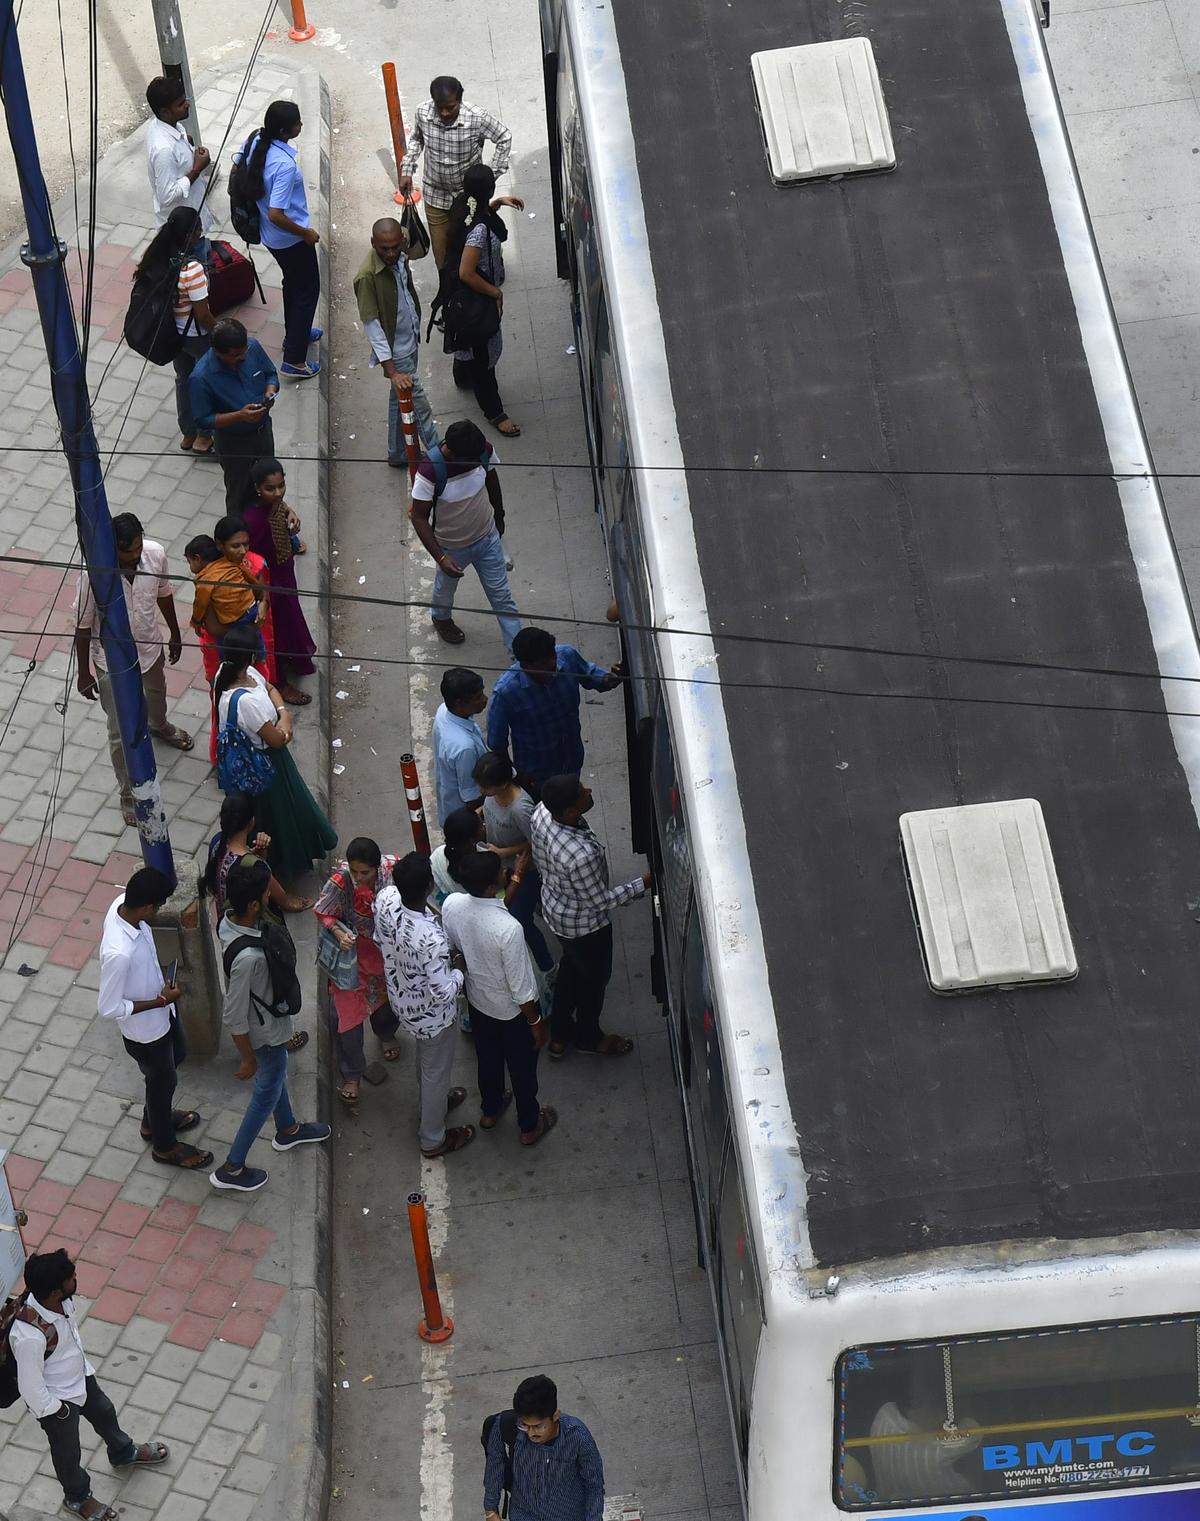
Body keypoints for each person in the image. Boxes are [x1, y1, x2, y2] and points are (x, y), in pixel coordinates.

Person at [10, 1248, 170, 1521]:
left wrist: (84, 1371)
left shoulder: (61, 1301)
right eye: (71, 1277)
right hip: (59, 1401)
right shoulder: (28, 1336)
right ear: (54, 1292)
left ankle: (123, 1452)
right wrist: (58, 1410)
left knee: (105, 1413)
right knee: (68, 1453)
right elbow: (30, 1387)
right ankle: (77, 1497)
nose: (76, 1278)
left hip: (80, 1377)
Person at [211, 859, 330, 1191]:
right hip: (264, 1031)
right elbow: (233, 1015)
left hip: (266, 1024)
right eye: (266, 893)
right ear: (253, 904)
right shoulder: (249, 959)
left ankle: (288, 1129)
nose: (270, 896)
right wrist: (247, 1057)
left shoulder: (227, 922)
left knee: (276, 1075)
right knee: (266, 1088)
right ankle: (233, 1167)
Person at [74, 512, 192, 828]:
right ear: (113, 549)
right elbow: (83, 626)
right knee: (119, 731)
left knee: (157, 694)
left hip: (150, 648)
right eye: (128, 552)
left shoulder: (154, 554)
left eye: (137, 548)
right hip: (110, 663)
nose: (135, 556)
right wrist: (84, 673)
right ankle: (127, 793)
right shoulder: (93, 577)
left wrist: (175, 633)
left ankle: (160, 725)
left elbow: (164, 593)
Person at [97, 866, 212, 1170]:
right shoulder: (118, 953)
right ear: (147, 907)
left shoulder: (123, 905)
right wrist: (159, 1000)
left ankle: (153, 1120)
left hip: (165, 1013)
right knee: (163, 1080)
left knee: (174, 1062)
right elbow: (108, 1007)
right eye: (158, 905)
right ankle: (164, 1146)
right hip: (146, 1033)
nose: (158, 910)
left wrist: (164, 999)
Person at [529, 775, 648, 1059]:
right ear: (571, 811)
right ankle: (588, 1037)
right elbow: (599, 902)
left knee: (571, 971)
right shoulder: (581, 856)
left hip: (555, 911)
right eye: (583, 794)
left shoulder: (542, 812)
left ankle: (559, 1035)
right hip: (585, 929)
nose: (589, 792)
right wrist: (642, 883)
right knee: (594, 984)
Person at [442, 849, 555, 1146]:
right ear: (492, 886)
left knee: (488, 1060)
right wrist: (536, 1022)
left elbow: (457, 941)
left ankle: (490, 1111)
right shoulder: (509, 930)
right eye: (502, 871)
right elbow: (521, 988)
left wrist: (516, 875)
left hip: (479, 1004)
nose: (506, 870)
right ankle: (530, 1124)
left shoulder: (453, 905)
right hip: (512, 1014)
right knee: (522, 1070)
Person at [213, 625, 336, 878]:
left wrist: (281, 712)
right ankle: (285, 865)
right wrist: (286, 720)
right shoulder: (245, 702)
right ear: (249, 657)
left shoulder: (228, 674)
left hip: (256, 761)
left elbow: (270, 688)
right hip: (267, 765)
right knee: (283, 814)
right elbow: (278, 740)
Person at [373, 852, 474, 1157]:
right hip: (433, 1016)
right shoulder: (430, 937)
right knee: (434, 1070)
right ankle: (432, 1138)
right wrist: (459, 969)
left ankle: (437, 1101)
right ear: (429, 887)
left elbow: (378, 938)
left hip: (402, 1000)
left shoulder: (386, 898)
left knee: (429, 1065)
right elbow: (444, 991)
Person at [409, 419, 520, 651]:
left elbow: (491, 478)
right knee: (444, 590)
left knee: (503, 599)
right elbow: (419, 517)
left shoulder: (481, 451)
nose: (475, 463)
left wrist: (499, 519)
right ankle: (441, 618)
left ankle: (518, 656)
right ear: (452, 452)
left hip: (487, 538)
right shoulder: (430, 471)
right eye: (470, 460)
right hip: (451, 548)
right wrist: (441, 558)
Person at [313, 837, 404, 1108]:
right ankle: (352, 1073)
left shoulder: (394, 872)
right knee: (348, 1018)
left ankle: (386, 1033)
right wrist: (339, 932)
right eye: (354, 871)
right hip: (350, 961)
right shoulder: (341, 881)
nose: (358, 877)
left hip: (384, 957)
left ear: (378, 867)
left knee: (385, 1003)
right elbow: (324, 912)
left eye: (364, 873)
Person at [236, 100, 321, 380]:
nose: (301, 125)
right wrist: (306, 233)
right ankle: (295, 359)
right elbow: (276, 213)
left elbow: (237, 164)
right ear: (286, 131)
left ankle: (296, 334)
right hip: (290, 239)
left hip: (272, 238)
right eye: (298, 123)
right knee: (307, 290)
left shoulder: (256, 140)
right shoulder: (284, 166)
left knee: (292, 284)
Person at [443, 164, 524, 437]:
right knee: (484, 356)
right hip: (478, 298)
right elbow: (468, 272)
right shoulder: (479, 230)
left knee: (468, 348)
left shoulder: (463, 205)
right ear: (489, 188)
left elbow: (476, 215)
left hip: (458, 298)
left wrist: (497, 204)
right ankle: (494, 411)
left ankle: (462, 375)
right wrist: (495, 292)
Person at [398, 75, 512, 270]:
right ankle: (449, 293)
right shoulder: (423, 113)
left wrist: (489, 176)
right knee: (443, 257)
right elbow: (417, 139)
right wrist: (407, 168)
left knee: (472, 251)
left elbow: (504, 137)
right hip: (436, 196)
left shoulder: (476, 117)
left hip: (468, 198)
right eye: (439, 106)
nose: (444, 112)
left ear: (460, 100)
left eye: (450, 107)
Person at [487, 626, 621, 789]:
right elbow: (497, 743)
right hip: (536, 775)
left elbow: (591, 676)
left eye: (552, 656)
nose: (552, 664)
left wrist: (609, 679)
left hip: (572, 759)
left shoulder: (567, 655)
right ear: (525, 665)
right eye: (543, 663)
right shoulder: (505, 692)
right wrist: (516, 777)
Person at [353, 217, 438, 464]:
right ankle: (441, 460)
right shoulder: (367, 277)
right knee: (420, 408)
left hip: (410, 337)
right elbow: (372, 326)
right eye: (383, 248)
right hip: (397, 352)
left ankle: (398, 453)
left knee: (397, 398)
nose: (390, 253)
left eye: (394, 246)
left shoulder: (401, 243)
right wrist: (391, 370)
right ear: (373, 243)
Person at [132, 206, 215, 454]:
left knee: (183, 380)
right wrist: (219, 329)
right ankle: (204, 436)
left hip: (172, 335)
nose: (201, 235)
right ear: (189, 235)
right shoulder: (192, 269)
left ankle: (188, 433)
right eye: (199, 231)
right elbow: (202, 315)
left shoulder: (157, 257)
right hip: (196, 337)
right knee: (204, 383)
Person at [242, 459, 316, 704]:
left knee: (289, 619)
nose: (278, 492)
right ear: (257, 489)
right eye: (270, 489)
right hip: (268, 583)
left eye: (281, 486)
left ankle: (291, 659)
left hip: (284, 572)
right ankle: (279, 683)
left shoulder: (274, 505)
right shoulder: (253, 521)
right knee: (275, 631)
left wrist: (289, 511)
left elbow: (281, 508)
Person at [473, 750, 554, 974]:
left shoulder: (521, 809)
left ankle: (547, 966)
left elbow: (536, 842)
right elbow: (488, 807)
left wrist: (503, 851)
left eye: (485, 787)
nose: (481, 791)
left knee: (521, 920)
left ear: (502, 783)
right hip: (504, 866)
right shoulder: (492, 796)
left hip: (526, 870)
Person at [484, 1374, 604, 1521]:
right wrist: (490, 1510)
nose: (531, 1433)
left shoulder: (578, 1436)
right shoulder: (504, 1426)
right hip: (523, 1515)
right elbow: (495, 1467)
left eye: (538, 1426)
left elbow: (594, 1485)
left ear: (555, 1416)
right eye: (525, 1425)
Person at [189, 317, 279, 511]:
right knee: (240, 492)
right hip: (234, 443)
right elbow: (203, 419)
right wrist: (239, 416)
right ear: (218, 353)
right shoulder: (201, 377)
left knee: (270, 485)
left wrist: (270, 391)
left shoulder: (252, 348)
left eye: (244, 350)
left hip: (264, 433)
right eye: (236, 355)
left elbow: (270, 374)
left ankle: (273, 527)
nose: (243, 356)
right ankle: (242, 536)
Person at [144, 76, 211, 251]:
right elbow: (166, 195)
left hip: (193, 220)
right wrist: (197, 169)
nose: (187, 105)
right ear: (165, 112)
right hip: (185, 235)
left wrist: (186, 145)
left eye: (185, 100)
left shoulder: (167, 126)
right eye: (181, 104)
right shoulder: (164, 150)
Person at [186, 523, 265, 661]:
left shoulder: (205, 581)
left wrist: (196, 623)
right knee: (255, 636)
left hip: (235, 620)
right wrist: (260, 597)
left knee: (229, 648)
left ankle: (228, 663)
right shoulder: (230, 564)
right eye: (236, 546)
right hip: (252, 609)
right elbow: (250, 579)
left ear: (197, 559)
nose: (242, 551)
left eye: (189, 561)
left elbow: (200, 605)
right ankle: (260, 656)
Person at [433, 667, 487, 825]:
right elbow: (471, 796)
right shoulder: (465, 748)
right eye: (477, 697)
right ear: (459, 703)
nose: (485, 699)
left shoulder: (443, 710)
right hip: (465, 820)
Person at [429, 804, 489, 911]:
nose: (485, 826)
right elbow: (495, 905)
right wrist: (517, 875)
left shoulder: (437, 855)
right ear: (471, 840)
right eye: (481, 826)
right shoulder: (482, 865)